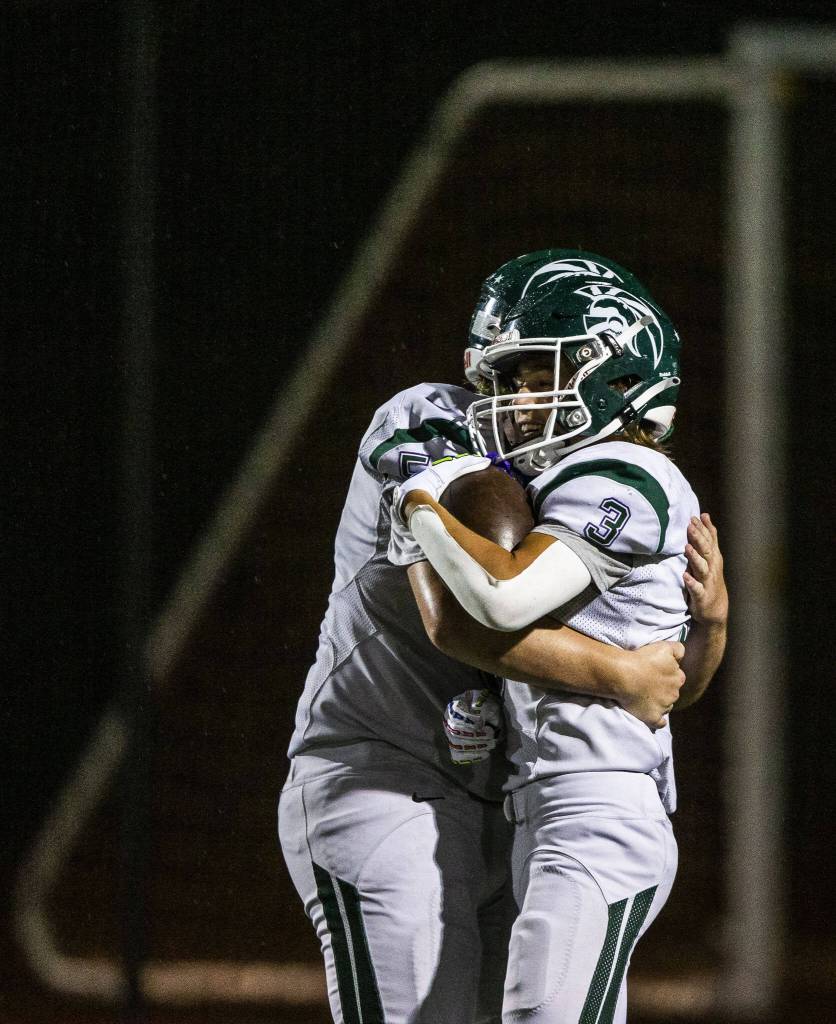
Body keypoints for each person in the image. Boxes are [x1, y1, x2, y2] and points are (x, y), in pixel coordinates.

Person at [278, 250, 725, 1024]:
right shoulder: (425, 421)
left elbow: (673, 684)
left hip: (512, 801)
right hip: (388, 777)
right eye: (506, 375)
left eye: (531, 373)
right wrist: (617, 675)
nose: (515, 398)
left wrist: (711, 618)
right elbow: (459, 617)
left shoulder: (590, 478)